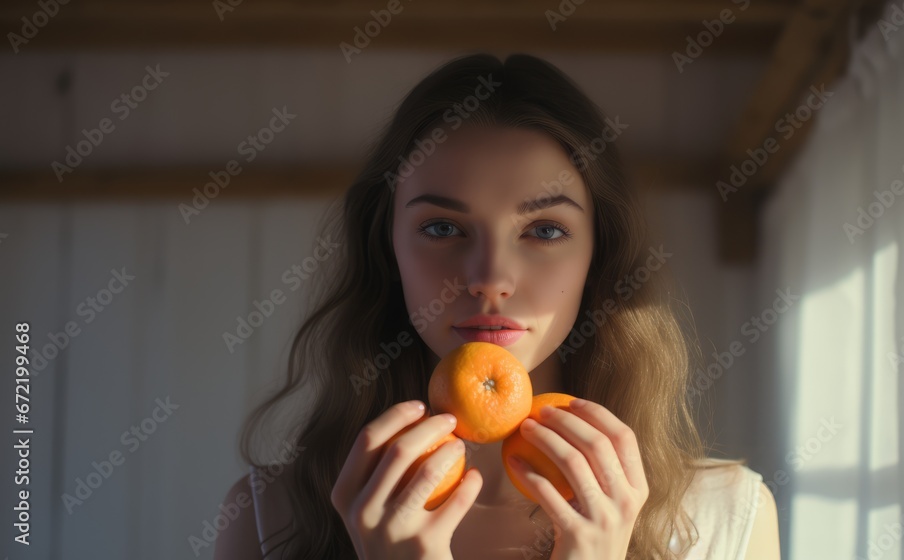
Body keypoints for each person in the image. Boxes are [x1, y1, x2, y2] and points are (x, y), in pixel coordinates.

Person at [214, 53, 780, 560]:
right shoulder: (269, 519)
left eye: (544, 230)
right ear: (386, 251)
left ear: (598, 256)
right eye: (442, 227)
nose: (489, 279)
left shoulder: (724, 520)